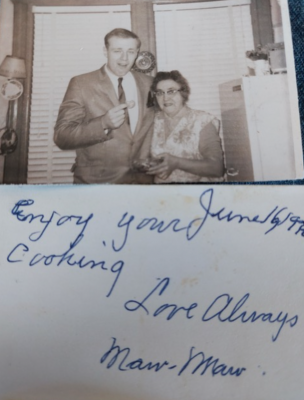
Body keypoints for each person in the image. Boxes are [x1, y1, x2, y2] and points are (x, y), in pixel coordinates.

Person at [54, 28, 154, 184]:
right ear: (105, 51)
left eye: (131, 51)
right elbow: (62, 136)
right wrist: (103, 124)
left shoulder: (149, 83)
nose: (124, 58)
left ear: (137, 52)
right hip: (97, 184)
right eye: (117, 51)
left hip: (141, 183)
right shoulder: (81, 84)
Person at [147, 70, 224, 183]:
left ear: (183, 93)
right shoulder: (153, 120)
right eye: (160, 93)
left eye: (171, 91)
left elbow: (216, 168)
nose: (165, 98)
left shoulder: (202, 121)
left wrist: (176, 162)